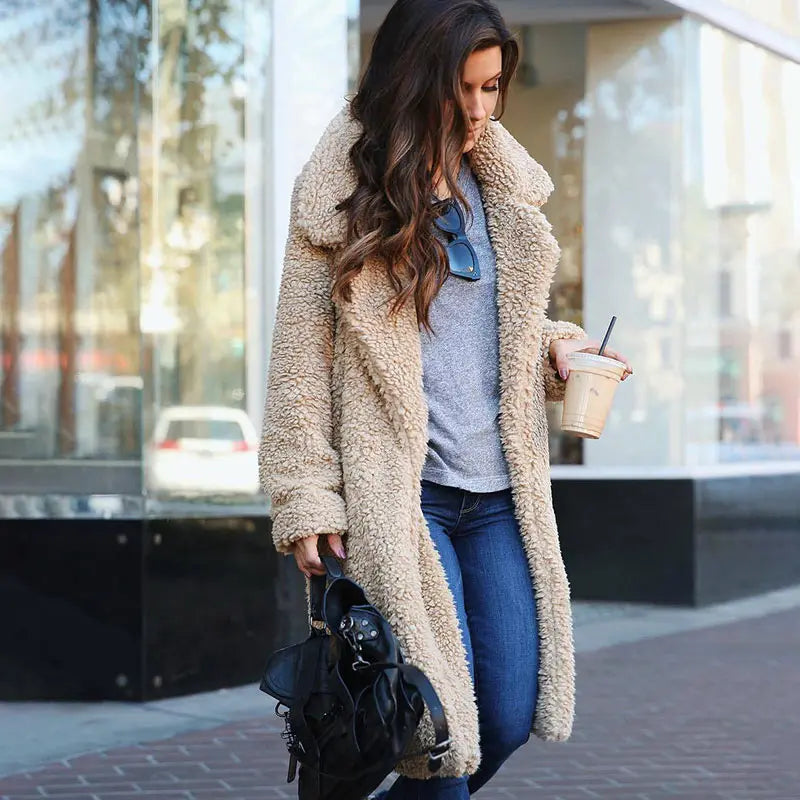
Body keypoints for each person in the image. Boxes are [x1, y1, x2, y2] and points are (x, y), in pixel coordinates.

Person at [258, 1, 632, 797]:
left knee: (502, 716)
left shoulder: (497, 187)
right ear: (413, 78)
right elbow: (298, 361)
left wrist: (557, 345)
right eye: (461, 88)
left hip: (498, 496)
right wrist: (304, 497)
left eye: (493, 87)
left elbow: (499, 326)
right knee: (435, 736)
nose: (478, 109)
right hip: (400, 498)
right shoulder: (339, 192)